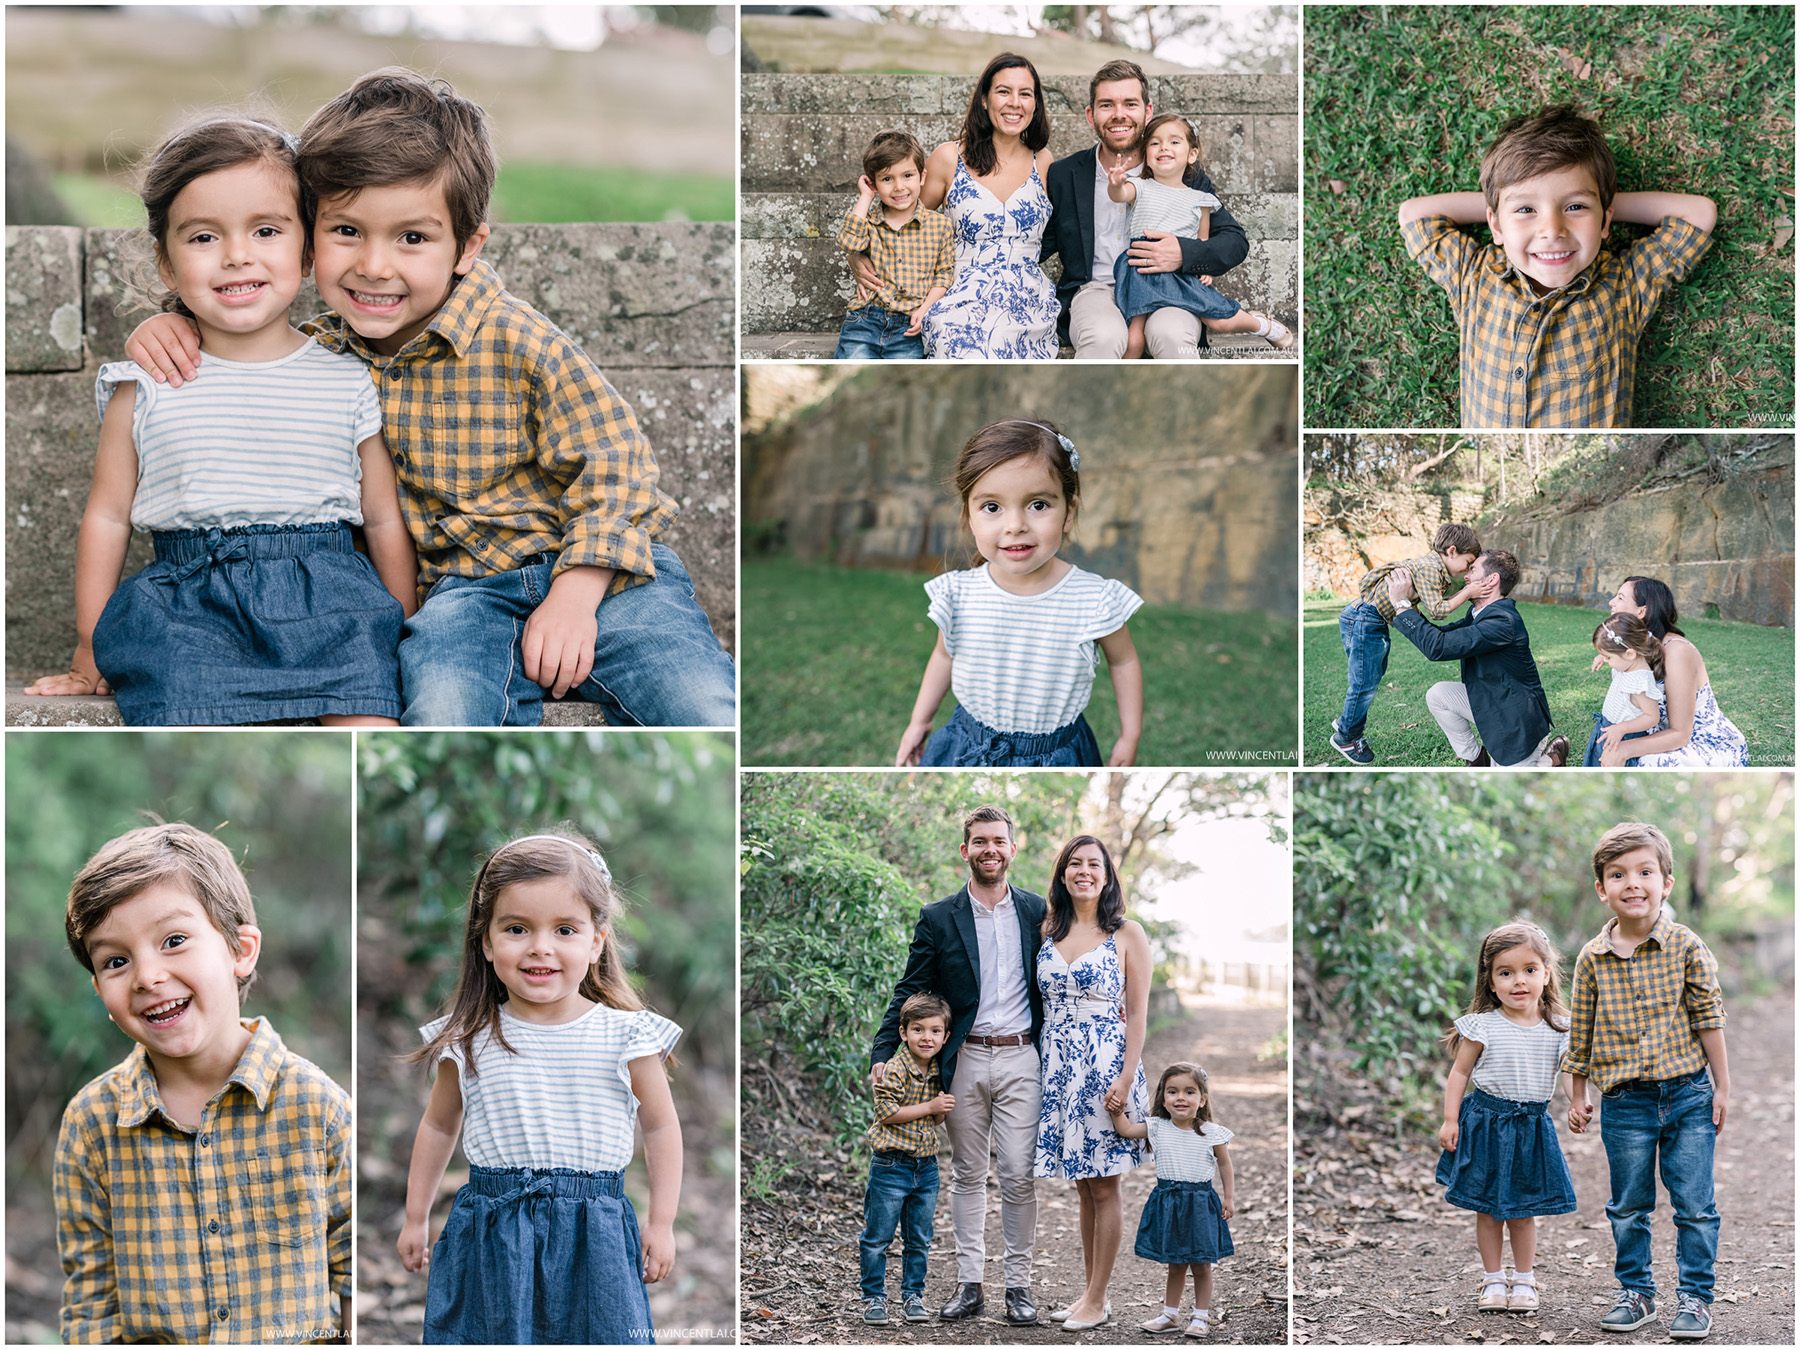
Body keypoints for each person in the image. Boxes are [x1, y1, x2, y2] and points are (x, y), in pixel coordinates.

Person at [122, 68, 736, 728]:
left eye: (412, 238)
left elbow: (618, 467)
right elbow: (241, 340)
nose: (376, 266)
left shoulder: (518, 340)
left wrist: (575, 593)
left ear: (467, 246)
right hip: (460, 599)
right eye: (347, 232)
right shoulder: (322, 355)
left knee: (697, 704)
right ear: (307, 237)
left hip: (606, 580)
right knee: (442, 712)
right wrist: (169, 322)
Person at [23, 116, 416, 725]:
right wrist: (87, 642)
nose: (237, 256)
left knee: (365, 717)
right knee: (184, 707)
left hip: (332, 605)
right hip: (190, 607)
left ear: (307, 251)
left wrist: (401, 624)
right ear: (165, 262)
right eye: (203, 238)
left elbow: (383, 516)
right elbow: (106, 514)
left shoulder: (347, 379)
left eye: (265, 230)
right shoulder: (147, 383)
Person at [55, 823, 351, 1343]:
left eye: (173, 941)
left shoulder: (316, 1107)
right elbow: (91, 1303)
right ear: (100, 988)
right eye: (117, 961)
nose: (147, 976)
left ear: (240, 949)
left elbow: (351, 1273)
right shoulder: (92, 1124)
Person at [399, 830, 682, 1344]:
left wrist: (662, 1224)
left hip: (593, 1233)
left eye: (565, 930)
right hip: (493, 1232)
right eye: (517, 928)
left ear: (597, 941)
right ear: (486, 942)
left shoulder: (626, 1034)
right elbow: (438, 1125)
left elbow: (661, 1126)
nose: (540, 948)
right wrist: (415, 1217)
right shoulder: (468, 1041)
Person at [1398, 103, 1716, 428]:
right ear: (1495, 226)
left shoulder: (1623, 286)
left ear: (1606, 220)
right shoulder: (1476, 275)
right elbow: (1414, 216)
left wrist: (1601, 205)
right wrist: (1502, 204)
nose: (1552, 229)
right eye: (1526, 210)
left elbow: (1699, 215)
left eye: (1575, 207)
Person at [869, 805, 1047, 1326]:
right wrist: (883, 1052)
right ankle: (970, 1285)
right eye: (979, 841)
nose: (990, 849)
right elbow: (911, 989)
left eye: (999, 841)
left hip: (1022, 1058)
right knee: (969, 1175)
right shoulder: (938, 916)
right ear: (964, 850)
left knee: (1018, 1174)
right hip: (963, 1060)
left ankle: (1019, 1287)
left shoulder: (1039, 911)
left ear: (1013, 850)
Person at [895, 419, 1143, 768]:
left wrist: (1130, 735)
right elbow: (943, 657)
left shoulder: (1094, 600)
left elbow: (1125, 660)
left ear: (1068, 513)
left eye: (1038, 505)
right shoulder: (960, 594)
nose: (1015, 525)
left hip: (1057, 754)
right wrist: (919, 721)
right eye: (992, 507)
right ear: (969, 516)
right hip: (967, 743)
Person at [1565, 823, 1729, 1340]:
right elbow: (1581, 1030)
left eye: (1644, 872)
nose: (1632, 883)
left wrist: (1723, 1086)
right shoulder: (1593, 957)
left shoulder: (1686, 945)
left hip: (1688, 1094)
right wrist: (1578, 1094)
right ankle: (1637, 1294)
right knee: (1628, 1205)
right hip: (1624, 1103)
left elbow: (1708, 1016)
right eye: (1618, 874)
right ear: (1601, 888)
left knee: (1695, 1204)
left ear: (1667, 883)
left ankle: (1696, 1300)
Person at [1042, 59, 1249, 360]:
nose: (1119, 115)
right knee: (1103, 338)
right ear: (1091, 115)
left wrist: (1184, 254)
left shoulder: (1181, 172)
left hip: (1169, 290)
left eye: (1130, 103)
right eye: (1107, 105)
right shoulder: (1064, 174)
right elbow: (1039, 241)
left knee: (1171, 335)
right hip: (1096, 291)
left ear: (1147, 111)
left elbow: (1234, 240)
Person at [1035, 835, 1151, 1333]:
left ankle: (1099, 1299)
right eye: (1075, 863)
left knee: (1105, 1187)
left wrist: (1126, 1078)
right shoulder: (1047, 930)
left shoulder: (1127, 933)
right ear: (1063, 874)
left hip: (1106, 1066)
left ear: (1107, 876)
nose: (1084, 871)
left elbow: (1140, 1010)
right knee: (1085, 1187)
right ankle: (1088, 1294)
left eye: (1094, 865)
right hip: (1058, 1067)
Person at [1435, 922, 1577, 1315]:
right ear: (1491, 980)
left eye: (1530, 970)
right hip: (1485, 1123)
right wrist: (1451, 1120)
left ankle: (1525, 1280)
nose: (1519, 981)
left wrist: (1577, 1101)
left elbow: (1569, 1070)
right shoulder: (1484, 1025)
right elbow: (1459, 1073)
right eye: (1506, 972)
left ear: (1546, 974)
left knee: (1522, 1210)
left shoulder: (1560, 1026)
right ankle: (1494, 1278)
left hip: (1531, 1127)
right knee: (1488, 1208)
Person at [1105, 113, 1293, 357]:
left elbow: (1203, 240)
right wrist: (1117, 183)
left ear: (1191, 155)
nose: (1164, 147)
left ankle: (1261, 324)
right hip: (1141, 270)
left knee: (1219, 322)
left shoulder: (1200, 199)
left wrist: (1204, 268)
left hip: (1179, 273)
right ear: (1146, 157)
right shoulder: (1139, 187)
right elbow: (1119, 196)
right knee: (1134, 342)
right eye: (1154, 143)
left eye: (1174, 142)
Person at [916, 53, 1060, 359]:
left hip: (1027, 298)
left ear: (1035, 104)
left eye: (1025, 94)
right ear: (984, 99)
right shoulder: (948, 158)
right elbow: (905, 223)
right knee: (957, 341)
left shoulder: (1044, 161)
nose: (1015, 102)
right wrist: (859, 258)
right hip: (959, 293)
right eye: (1003, 91)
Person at [1387, 549, 1570, 767]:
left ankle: (1551, 759)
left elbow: (1438, 647)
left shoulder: (1502, 621)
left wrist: (1401, 604)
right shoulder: (1478, 614)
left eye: (1473, 570)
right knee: (1438, 695)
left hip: (1516, 721)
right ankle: (1475, 758)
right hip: (1490, 700)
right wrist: (1412, 605)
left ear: (1492, 579)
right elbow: (1440, 636)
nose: (1466, 575)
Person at [1329, 523, 1484, 765]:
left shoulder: (1432, 567)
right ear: (1452, 551)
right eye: (1468, 562)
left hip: (1365, 617)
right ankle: (1347, 737)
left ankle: (1346, 720)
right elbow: (1437, 610)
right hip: (1365, 618)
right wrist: (1469, 591)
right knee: (1364, 683)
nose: (1467, 571)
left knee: (1371, 676)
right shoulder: (1431, 569)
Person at [1109, 1061, 1235, 1339]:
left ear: (1202, 1100)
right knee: (1175, 1263)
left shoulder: (1212, 1132)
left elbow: (1225, 1164)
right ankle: (1170, 1314)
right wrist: (1117, 1112)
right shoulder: (1157, 1127)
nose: (1181, 1098)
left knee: (1201, 1264)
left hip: (1201, 1203)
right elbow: (1127, 1130)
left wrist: (1228, 1197)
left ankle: (1200, 1317)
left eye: (1190, 1092)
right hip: (1169, 1202)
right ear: (1163, 1099)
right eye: (1173, 1091)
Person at [860, 992, 953, 1326]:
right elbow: (886, 1113)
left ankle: (913, 1296)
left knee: (919, 1238)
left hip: (926, 1167)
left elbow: (936, 1120)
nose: (926, 1037)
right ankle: (873, 1299)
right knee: (877, 1237)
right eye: (917, 1029)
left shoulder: (941, 1070)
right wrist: (930, 1107)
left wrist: (938, 1111)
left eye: (934, 1031)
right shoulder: (892, 1069)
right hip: (891, 1166)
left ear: (945, 1036)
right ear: (903, 1033)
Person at [1592, 576, 1749, 767]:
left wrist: (1624, 749)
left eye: (1620, 597)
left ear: (1642, 611)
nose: (1611, 602)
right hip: (1655, 731)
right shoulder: (1636, 646)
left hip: (1699, 741)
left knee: (1645, 761)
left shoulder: (1677, 652)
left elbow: (1681, 734)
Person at [834, 130, 954, 359]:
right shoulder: (868, 223)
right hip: (866, 321)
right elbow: (848, 243)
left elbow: (944, 275)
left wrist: (925, 308)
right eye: (887, 179)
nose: (899, 186)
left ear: (922, 176)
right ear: (875, 183)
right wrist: (866, 197)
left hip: (909, 325)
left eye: (907, 175)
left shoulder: (940, 226)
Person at [1584, 613, 1665, 766]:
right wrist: (1603, 655)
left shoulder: (1639, 682)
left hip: (1625, 737)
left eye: (1608, 657)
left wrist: (1621, 728)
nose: (1606, 661)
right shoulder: (1629, 663)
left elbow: (1652, 717)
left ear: (1630, 654)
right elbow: (1618, 656)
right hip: (1609, 728)